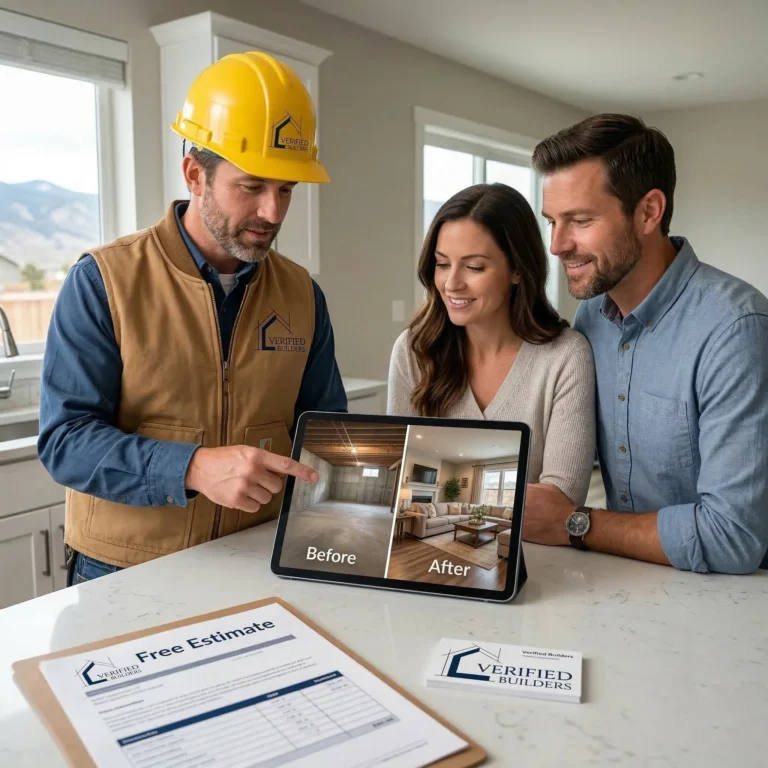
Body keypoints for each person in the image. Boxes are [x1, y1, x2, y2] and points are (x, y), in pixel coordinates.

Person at [38, 52, 347, 585]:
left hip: (255, 557)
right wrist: (193, 467)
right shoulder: (103, 281)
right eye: (252, 186)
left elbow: (324, 431)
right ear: (195, 175)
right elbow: (65, 439)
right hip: (122, 568)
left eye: (287, 189)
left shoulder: (302, 295)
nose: (273, 213)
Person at [524, 113, 768, 574]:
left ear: (649, 212)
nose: (556, 245)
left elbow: (733, 537)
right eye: (552, 221)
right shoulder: (592, 316)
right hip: (624, 578)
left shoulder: (735, 327)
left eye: (579, 220)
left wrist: (577, 524)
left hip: (731, 601)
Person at [388, 183, 596, 506]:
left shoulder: (566, 357)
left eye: (474, 267)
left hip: (541, 555)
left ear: (517, 270)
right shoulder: (413, 351)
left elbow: (561, 503)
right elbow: (397, 484)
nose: (452, 283)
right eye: (442, 264)